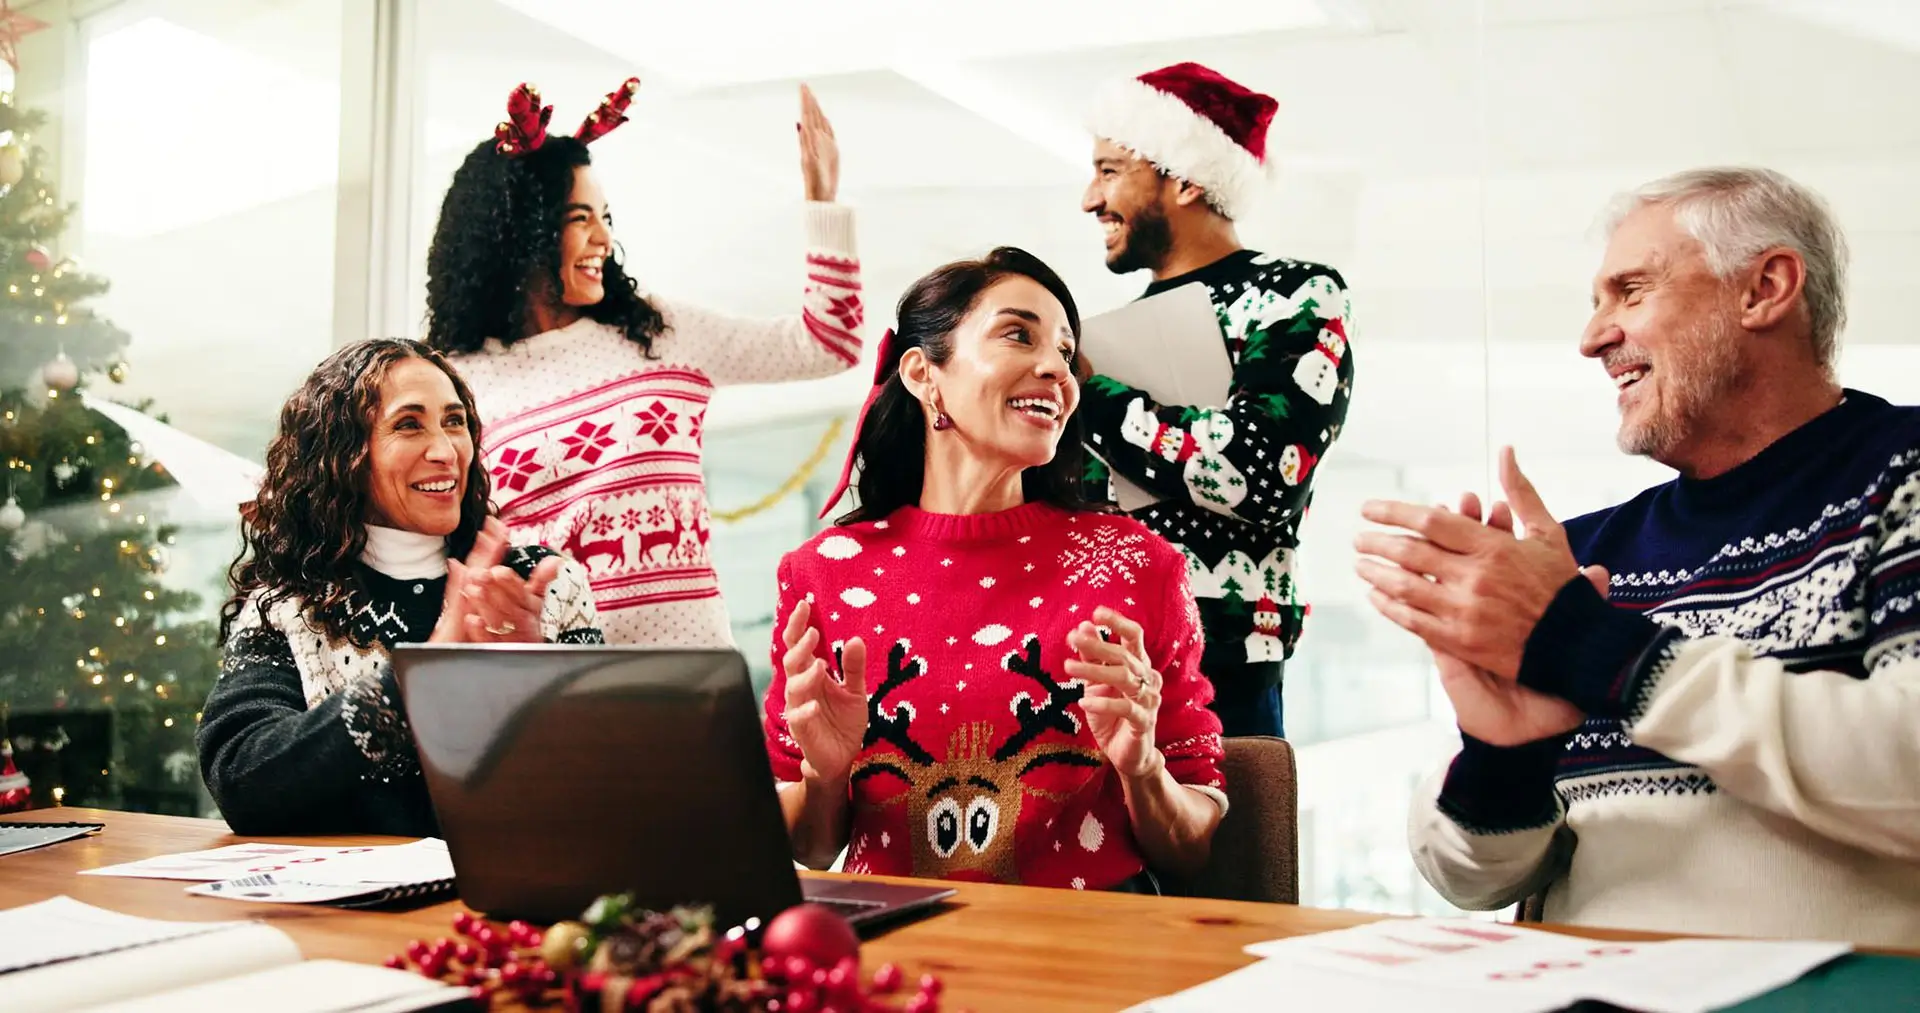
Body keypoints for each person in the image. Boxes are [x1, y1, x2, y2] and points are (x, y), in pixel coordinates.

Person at [1355, 168, 1920, 946]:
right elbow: (1472, 879)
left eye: (1630, 292)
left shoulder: (1903, 476)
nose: (1592, 338)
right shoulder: (1581, 557)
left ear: (1764, 289)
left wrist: (1604, 654)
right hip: (1575, 987)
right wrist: (1503, 757)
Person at [763, 247, 1226, 892]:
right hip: (903, 944)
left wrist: (1143, 768)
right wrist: (826, 774)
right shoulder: (820, 574)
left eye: (1066, 352)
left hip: (1092, 945)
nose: (1058, 370)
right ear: (923, 374)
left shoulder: (1138, 564)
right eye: (1018, 334)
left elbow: (1192, 851)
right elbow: (812, 849)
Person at [424, 78, 865, 647]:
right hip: (551, 678)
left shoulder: (657, 332)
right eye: (579, 218)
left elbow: (829, 342)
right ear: (519, 233)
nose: (603, 238)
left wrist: (822, 202)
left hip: (691, 673)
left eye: (604, 217)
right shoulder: (458, 384)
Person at [199, 339, 603, 836]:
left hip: (513, 886)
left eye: (454, 422)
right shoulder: (288, 606)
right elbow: (240, 781)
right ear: (342, 455)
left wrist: (533, 685)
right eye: (409, 424)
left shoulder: (546, 584)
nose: (445, 451)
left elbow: (605, 790)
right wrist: (423, 678)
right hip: (350, 891)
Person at [1077, 62, 1354, 737]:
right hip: (1100, 664)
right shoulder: (1106, 340)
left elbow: (1258, 473)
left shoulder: (1296, 295)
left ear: (1185, 178)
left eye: (1110, 170)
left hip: (1224, 671)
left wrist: (1085, 395)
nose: (1090, 199)